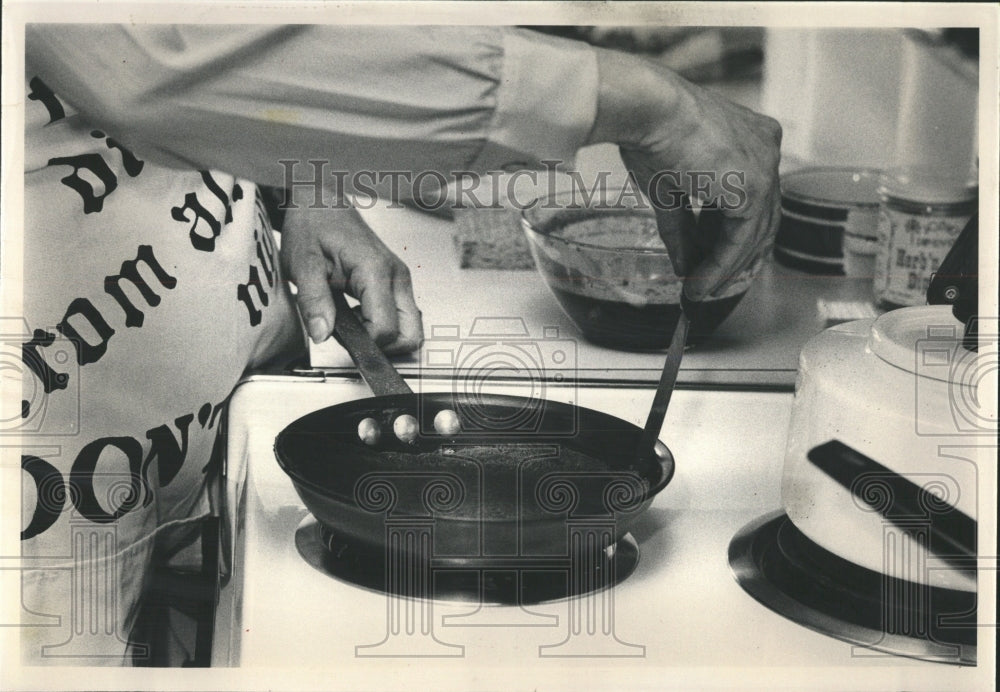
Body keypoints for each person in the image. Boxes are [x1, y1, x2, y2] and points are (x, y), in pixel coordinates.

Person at [16, 24, 781, 665]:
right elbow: (150, 60)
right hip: (49, 447)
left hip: (222, 392)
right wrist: (650, 103)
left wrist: (305, 183)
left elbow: (245, 37)